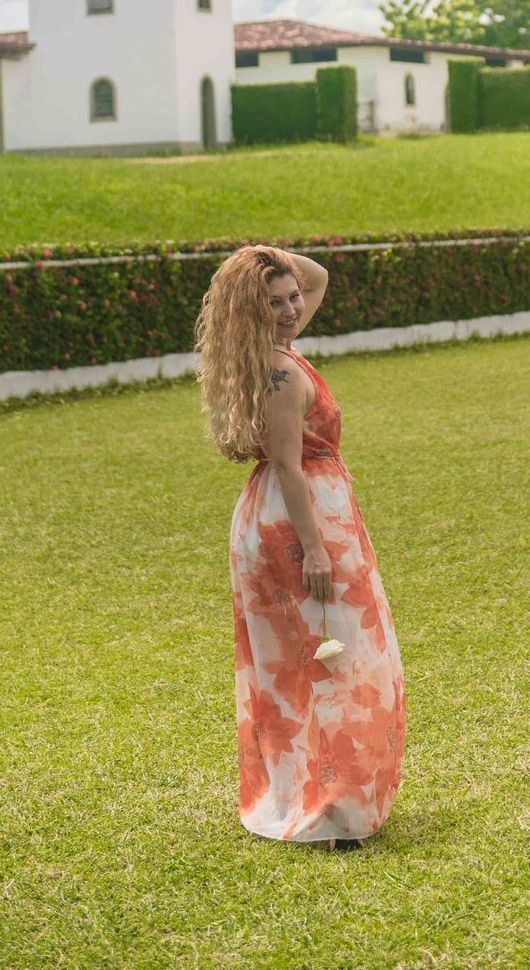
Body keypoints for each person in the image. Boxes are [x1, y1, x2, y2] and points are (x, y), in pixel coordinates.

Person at [195, 242, 406, 850]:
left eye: (292, 300)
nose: (293, 309)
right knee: (334, 658)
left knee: (297, 664)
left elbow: (318, 277)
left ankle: (312, 796)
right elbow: (288, 466)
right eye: (276, 303)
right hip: (300, 523)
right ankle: (333, 810)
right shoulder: (282, 373)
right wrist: (316, 551)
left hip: (277, 516)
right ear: (252, 312)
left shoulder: (267, 353)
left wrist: (259, 256)